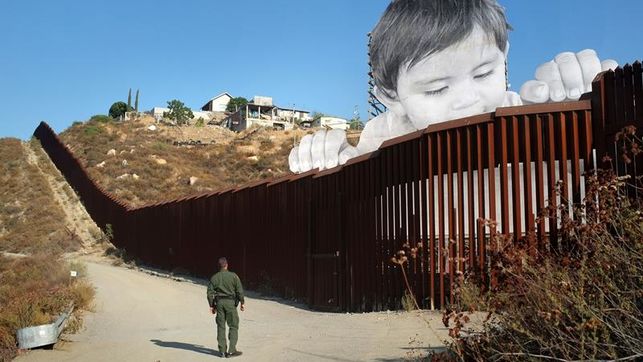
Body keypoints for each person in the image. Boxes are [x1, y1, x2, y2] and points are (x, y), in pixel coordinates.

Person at [289, 0, 617, 173]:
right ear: (391, 97)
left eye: (484, 73)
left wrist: (595, 101)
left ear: (504, 56)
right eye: (436, 89)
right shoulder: (381, 146)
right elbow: (355, 184)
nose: (467, 100)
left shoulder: (532, 116)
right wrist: (336, 161)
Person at [207, 257, 245, 358]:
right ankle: (232, 351)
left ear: (219, 266)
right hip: (230, 303)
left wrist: (212, 305)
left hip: (219, 303)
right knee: (233, 325)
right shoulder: (234, 276)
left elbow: (209, 293)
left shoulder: (214, 277)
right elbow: (239, 291)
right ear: (227, 265)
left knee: (221, 326)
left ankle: (222, 351)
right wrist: (242, 302)